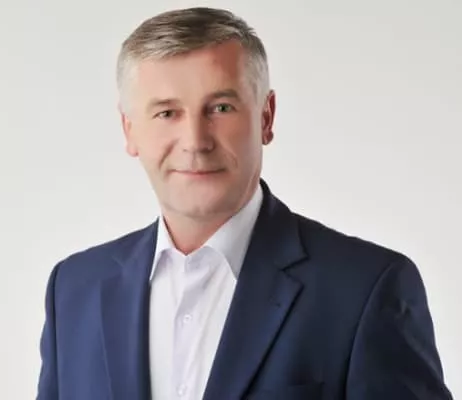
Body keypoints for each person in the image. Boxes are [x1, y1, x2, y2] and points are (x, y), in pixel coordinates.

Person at [36, 7, 452, 400]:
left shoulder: (364, 289)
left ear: (266, 117)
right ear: (130, 130)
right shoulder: (73, 289)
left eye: (221, 108)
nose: (195, 141)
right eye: (166, 113)